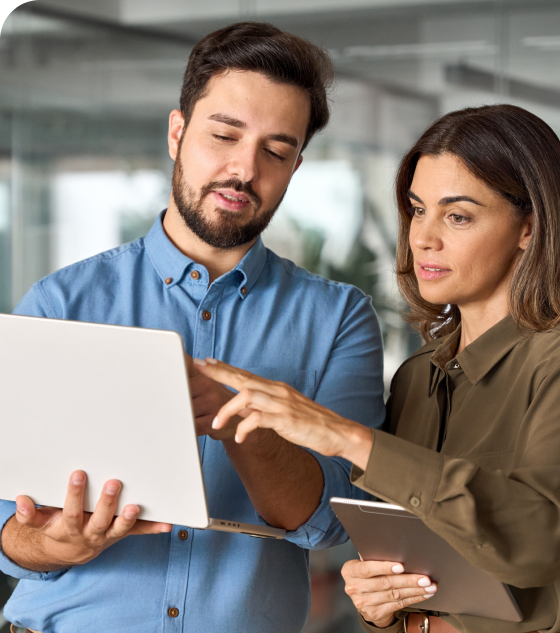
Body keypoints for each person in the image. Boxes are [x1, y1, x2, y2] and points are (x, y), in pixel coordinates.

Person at [0, 22, 385, 633]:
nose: (243, 169)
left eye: (276, 151)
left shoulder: (339, 318)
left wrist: (238, 418)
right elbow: (7, 531)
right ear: (177, 133)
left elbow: (335, 519)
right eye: (224, 135)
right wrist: (54, 544)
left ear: (296, 167)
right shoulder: (60, 302)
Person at [195, 104, 560, 633]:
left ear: (529, 227)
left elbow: (540, 538)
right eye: (417, 210)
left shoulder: (549, 362)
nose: (423, 238)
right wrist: (381, 607)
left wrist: (346, 437)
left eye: (457, 216)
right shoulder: (416, 379)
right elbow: (420, 572)